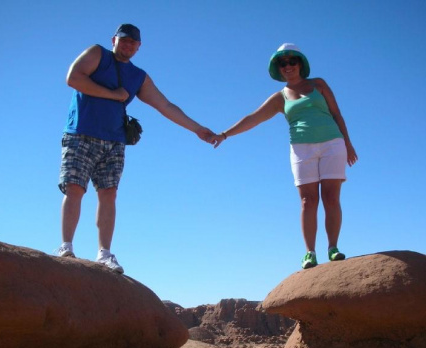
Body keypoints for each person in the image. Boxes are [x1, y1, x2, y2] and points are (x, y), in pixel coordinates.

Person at [57, 24, 216, 273]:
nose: (128, 45)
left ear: (139, 47)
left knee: (109, 194)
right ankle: (66, 247)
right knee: (74, 187)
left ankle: (104, 253)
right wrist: (114, 95)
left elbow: (165, 105)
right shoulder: (97, 54)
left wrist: (197, 129)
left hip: (114, 141)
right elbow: (73, 78)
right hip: (81, 134)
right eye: (124, 40)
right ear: (114, 40)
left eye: (133, 43)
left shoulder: (138, 76)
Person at [213, 43, 358, 269]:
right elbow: (253, 118)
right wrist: (224, 134)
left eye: (292, 61)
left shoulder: (319, 84)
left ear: (301, 63)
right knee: (307, 201)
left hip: (332, 144)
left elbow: (337, 114)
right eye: (283, 63)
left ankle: (333, 248)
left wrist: (348, 144)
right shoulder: (280, 98)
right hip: (301, 149)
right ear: (278, 69)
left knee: (331, 197)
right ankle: (310, 252)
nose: (288, 66)